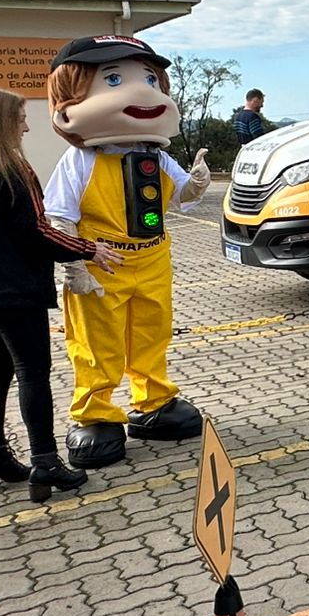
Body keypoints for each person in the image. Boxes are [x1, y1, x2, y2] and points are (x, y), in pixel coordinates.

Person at [0, 88, 124, 502]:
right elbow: (38, 231)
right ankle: (46, 463)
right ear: (1, 121)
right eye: (20, 117)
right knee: (32, 372)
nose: (27, 125)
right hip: (13, 290)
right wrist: (90, 249)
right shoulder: (11, 169)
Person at [44, 34, 213, 469]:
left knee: (151, 335)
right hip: (103, 264)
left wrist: (196, 182)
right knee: (96, 344)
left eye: (148, 79)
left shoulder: (152, 155)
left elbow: (180, 196)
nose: (140, 92)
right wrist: (75, 264)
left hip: (153, 258)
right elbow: (58, 216)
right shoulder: (80, 161)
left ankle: (153, 401)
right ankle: (95, 414)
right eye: (114, 79)